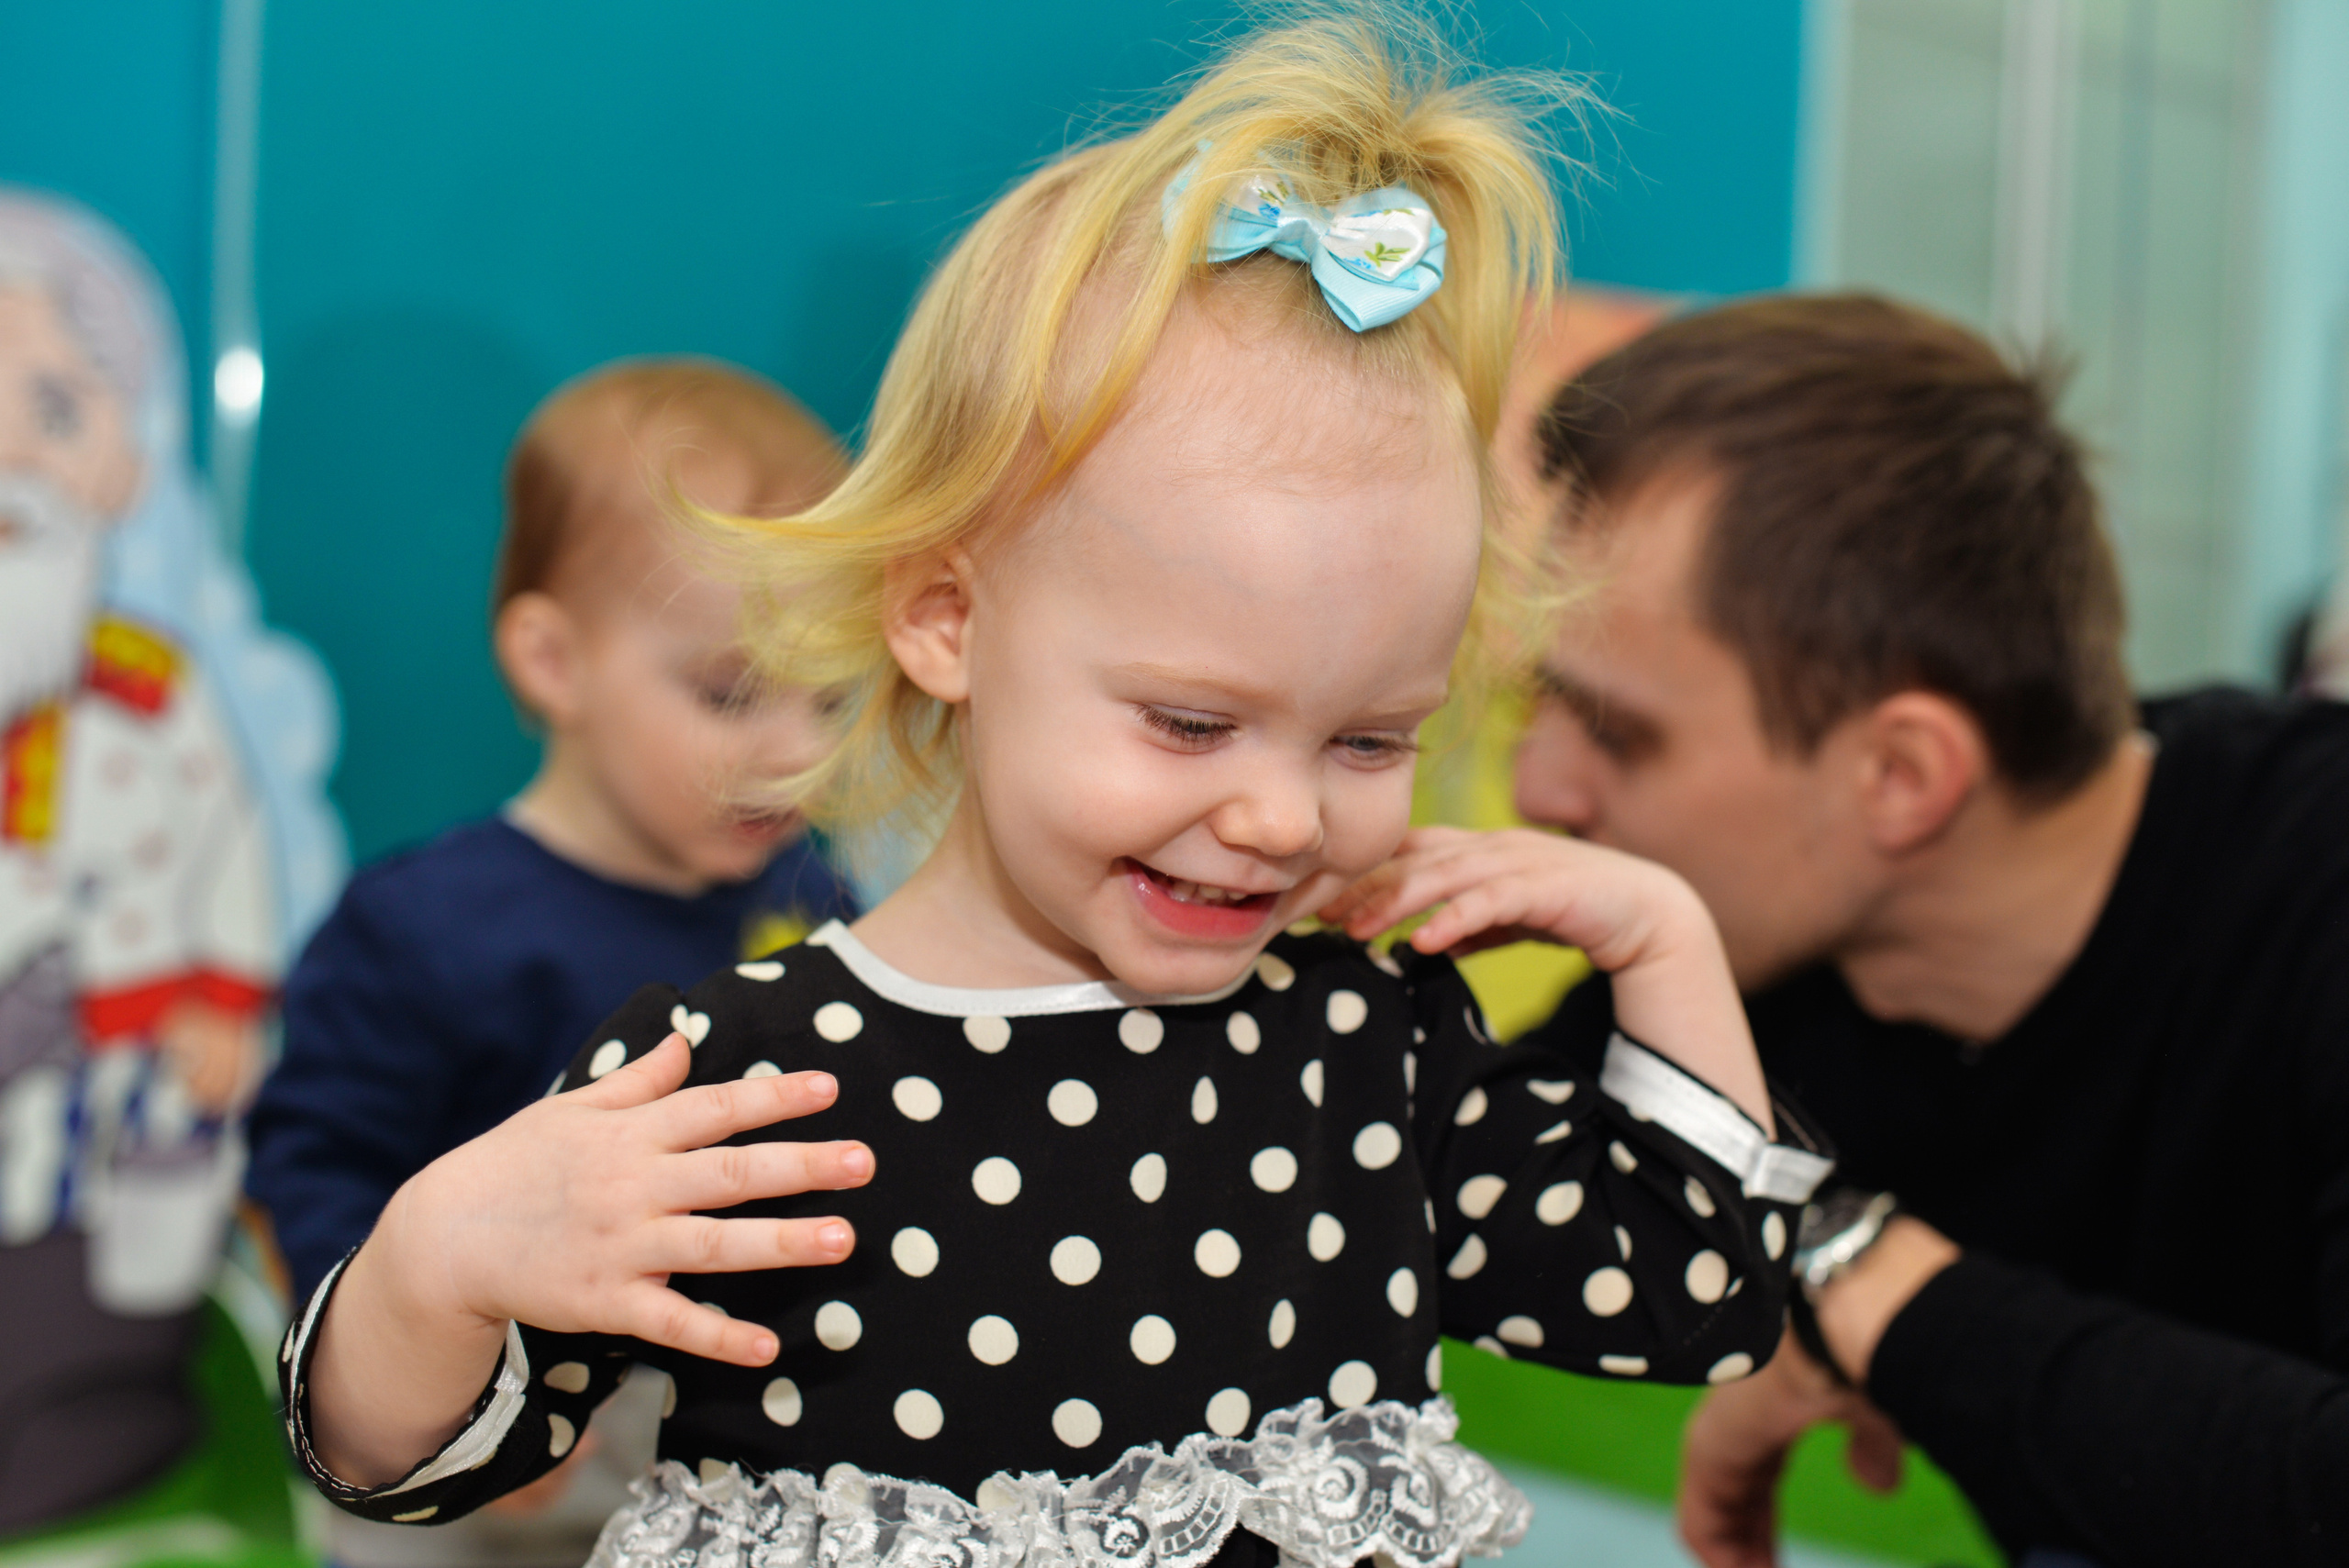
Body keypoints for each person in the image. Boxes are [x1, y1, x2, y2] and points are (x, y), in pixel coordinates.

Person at [268, 16, 1836, 1568]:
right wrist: (425, 1270)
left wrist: (1666, 939)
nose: (1285, 818)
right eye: (1187, 721)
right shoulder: (740, 1089)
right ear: (948, 619)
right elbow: (409, 1472)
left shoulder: (1367, 1048)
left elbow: (1695, 1294)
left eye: (1370, 739)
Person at [1373, 293, 2349, 1567]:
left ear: (1900, 775)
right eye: (1533, 706)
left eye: (1615, 727)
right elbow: (1414, 1164)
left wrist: (1859, 1276)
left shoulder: (2314, 879)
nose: (1544, 786)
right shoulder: (1760, 957)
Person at [243, 360, 859, 1565]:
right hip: (459, 1439)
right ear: (554, 660)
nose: (796, 755)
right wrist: (431, 1388)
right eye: (732, 694)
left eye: (833, 701)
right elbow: (308, 1179)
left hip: (695, 1434)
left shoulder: (814, 892)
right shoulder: (421, 924)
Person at [0, 189, 295, 1529]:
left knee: (88, 1287)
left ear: (121, 455)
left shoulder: (154, 691)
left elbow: (229, 857)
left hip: (103, 1084)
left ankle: (84, 1427)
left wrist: (223, 1001)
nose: (12, 458)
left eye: (55, 412)